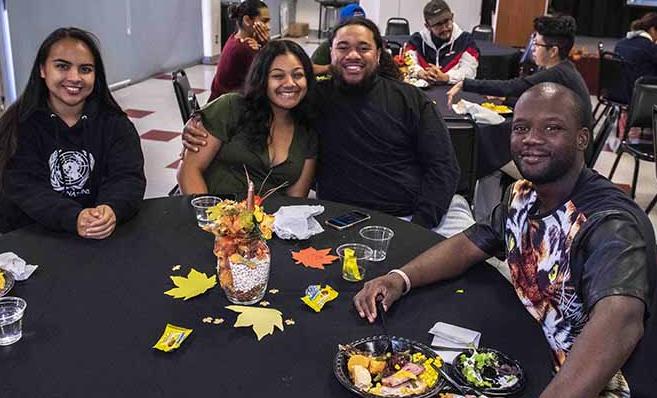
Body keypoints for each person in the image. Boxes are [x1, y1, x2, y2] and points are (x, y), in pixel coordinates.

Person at [354, 83, 657, 398]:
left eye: (552, 128)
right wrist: (400, 278)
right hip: (531, 362)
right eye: (521, 128)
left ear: (582, 138)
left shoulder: (610, 225)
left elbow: (620, 321)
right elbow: (469, 243)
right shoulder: (524, 195)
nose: (531, 139)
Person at [184, 17, 468, 235]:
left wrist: (419, 225)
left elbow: (444, 167)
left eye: (363, 48)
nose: (353, 55)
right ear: (329, 55)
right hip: (339, 218)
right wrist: (195, 127)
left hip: (412, 215)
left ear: (378, 54)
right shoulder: (312, 100)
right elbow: (259, 103)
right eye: (343, 48)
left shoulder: (410, 100)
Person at [0, 27, 146, 241]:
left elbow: (127, 177)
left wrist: (111, 209)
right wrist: (73, 217)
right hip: (24, 234)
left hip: (93, 233)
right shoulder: (16, 125)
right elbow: (27, 190)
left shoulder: (115, 123)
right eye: (62, 66)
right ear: (42, 69)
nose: (74, 77)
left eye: (85, 69)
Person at [177, 40, 318, 197]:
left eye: (298, 75)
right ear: (262, 78)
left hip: (268, 219)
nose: (290, 83)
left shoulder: (307, 129)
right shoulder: (231, 108)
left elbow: (296, 200)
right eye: (278, 76)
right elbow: (189, 170)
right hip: (209, 212)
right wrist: (208, 217)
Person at [447, 15, 592, 133]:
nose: (532, 49)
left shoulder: (557, 73)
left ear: (553, 51)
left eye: (537, 44)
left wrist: (466, 83)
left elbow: (512, 86)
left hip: (572, 149)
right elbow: (537, 103)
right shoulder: (559, 68)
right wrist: (505, 100)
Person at [208, 0, 271, 103]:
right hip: (227, 112)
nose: (268, 27)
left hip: (223, 104)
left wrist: (261, 47)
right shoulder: (245, 49)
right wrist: (266, 44)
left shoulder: (235, 38)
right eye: (264, 21)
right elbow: (268, 78)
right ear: (247, 20)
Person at [403, 0, 479, 84]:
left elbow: (470, 72)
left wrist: (446, 77)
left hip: (454, 92)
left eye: (447, 21)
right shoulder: (416, 40)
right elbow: (407, 64)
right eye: (438, 24)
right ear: (427, 26)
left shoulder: (466, 41)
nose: (444, 28)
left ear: (452, 17)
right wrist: (420, 73)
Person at [615, 12, 657, 87]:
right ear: (652, 29)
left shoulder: (620, 43)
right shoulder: (651, 47)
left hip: (616, 92)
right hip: (640, 94)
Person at [310, 3, 365, 75]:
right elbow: (309, 69)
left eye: (361, 25)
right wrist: (333, 68)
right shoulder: (329, 45)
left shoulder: (371, 45)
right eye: (343, 48)